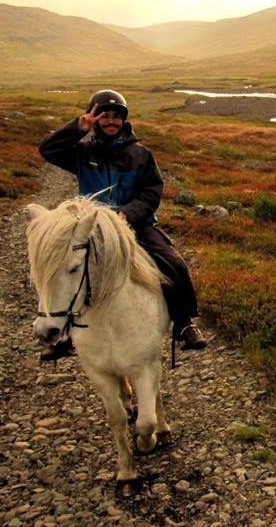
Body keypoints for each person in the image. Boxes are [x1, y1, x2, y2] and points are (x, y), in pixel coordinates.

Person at [38, 89, 208, 361]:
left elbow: (152, 191)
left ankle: (185, 323)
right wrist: (77, 128)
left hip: (134, 224)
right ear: (94, 118)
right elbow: (48, 150)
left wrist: (128, 214)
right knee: (65, 268)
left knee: (174, 263)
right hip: (92, 227)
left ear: (124, 121)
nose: (111, 121)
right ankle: (63, 332)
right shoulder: (82, 152)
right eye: (104, 116)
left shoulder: (140, 154)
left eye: (117, 117)